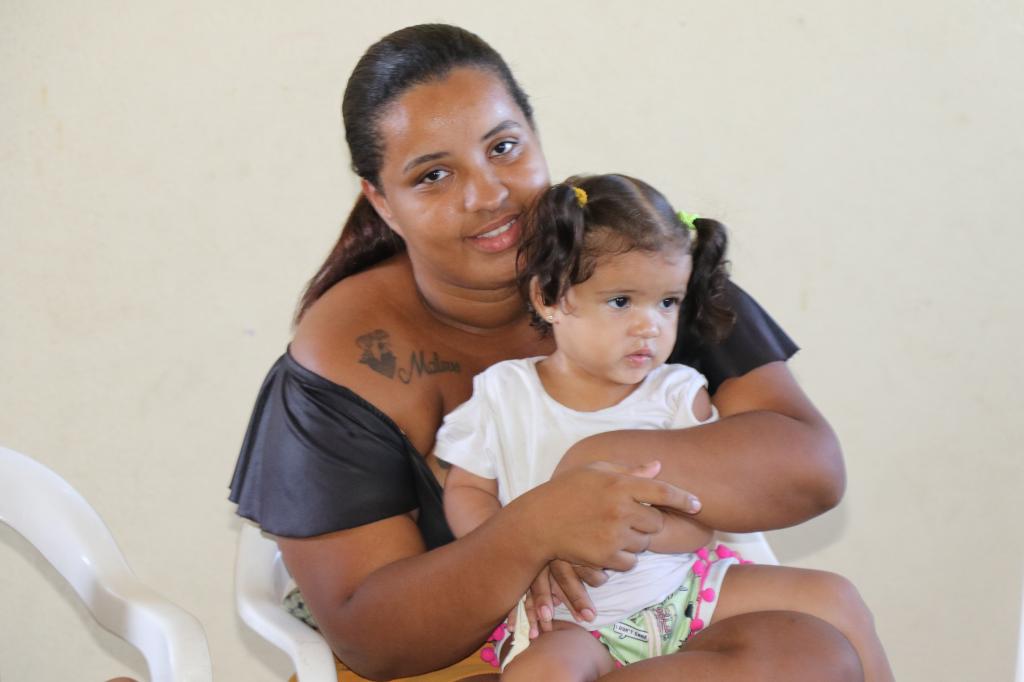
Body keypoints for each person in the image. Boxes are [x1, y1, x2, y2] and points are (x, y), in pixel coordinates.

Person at [230, 23, 861, 681]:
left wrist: (598, 460)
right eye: (434, 175)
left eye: (503, 147)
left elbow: (810, 469)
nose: (487, 194)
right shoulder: (345, 357)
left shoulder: (639, 272)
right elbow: (372, 638)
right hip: (460, 664)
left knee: (816, 654)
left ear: (535, 136)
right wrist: (534, 528)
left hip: (663, 617)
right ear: (381, 202)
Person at [436, 174, 893, 681]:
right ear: (549, 297)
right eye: (621, 302)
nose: (649, 325)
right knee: (542, 672)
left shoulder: (678, 392)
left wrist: (636, 535)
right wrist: (517, 549)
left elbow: (701, 513)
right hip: (570, 617)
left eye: (667, 302)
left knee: (836, 596)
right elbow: (468, 490)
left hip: (684, 593)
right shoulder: (503, 392)